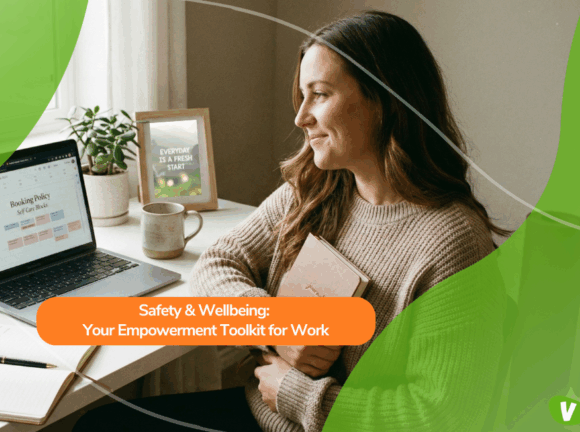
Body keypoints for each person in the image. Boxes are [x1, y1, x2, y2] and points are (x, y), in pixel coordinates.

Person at [74, 10, 507, 432]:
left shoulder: (454, 245)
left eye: (320, 94)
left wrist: (295, 393)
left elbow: (440, 417)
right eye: (303, 96)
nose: (301, 117)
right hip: (260, 414)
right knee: (98, 424)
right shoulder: (320, 186)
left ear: (384, 101)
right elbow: (218, 261)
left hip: (298, 415)